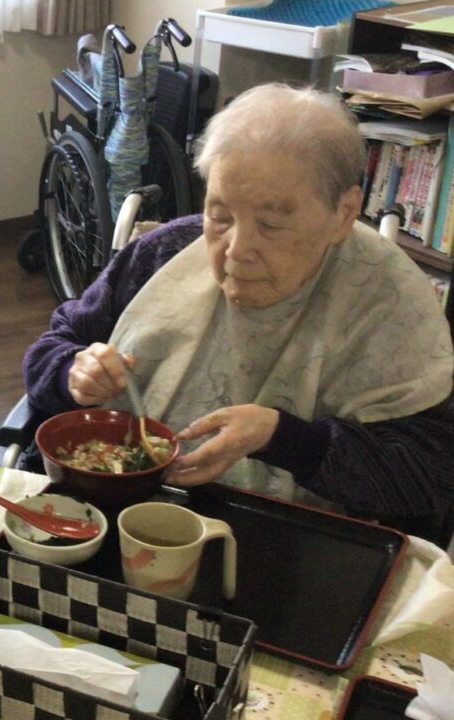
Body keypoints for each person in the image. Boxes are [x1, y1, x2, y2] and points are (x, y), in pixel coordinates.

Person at [24, 83, 454, 539]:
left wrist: (281, 436)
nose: (236, 250)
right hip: (115, 511)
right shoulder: (166, 251)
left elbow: (430, 476)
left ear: (344, 212)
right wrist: (73, 372)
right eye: (220, 216)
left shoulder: (389, 302)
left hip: (287, 540)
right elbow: (53, 349)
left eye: (271, 224)